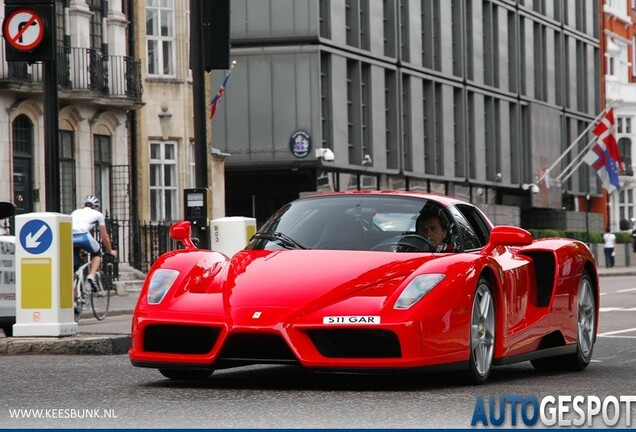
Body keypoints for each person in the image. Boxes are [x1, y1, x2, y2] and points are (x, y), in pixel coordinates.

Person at [71, 195, 118, 288]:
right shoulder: (98, 215)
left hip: (69, 237)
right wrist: (110, 251)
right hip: (83, 236)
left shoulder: (75, 212)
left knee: (75, 270)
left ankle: (76, 299)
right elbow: (105, 236)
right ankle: (91, 276)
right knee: (97, 253)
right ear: (96, 206)